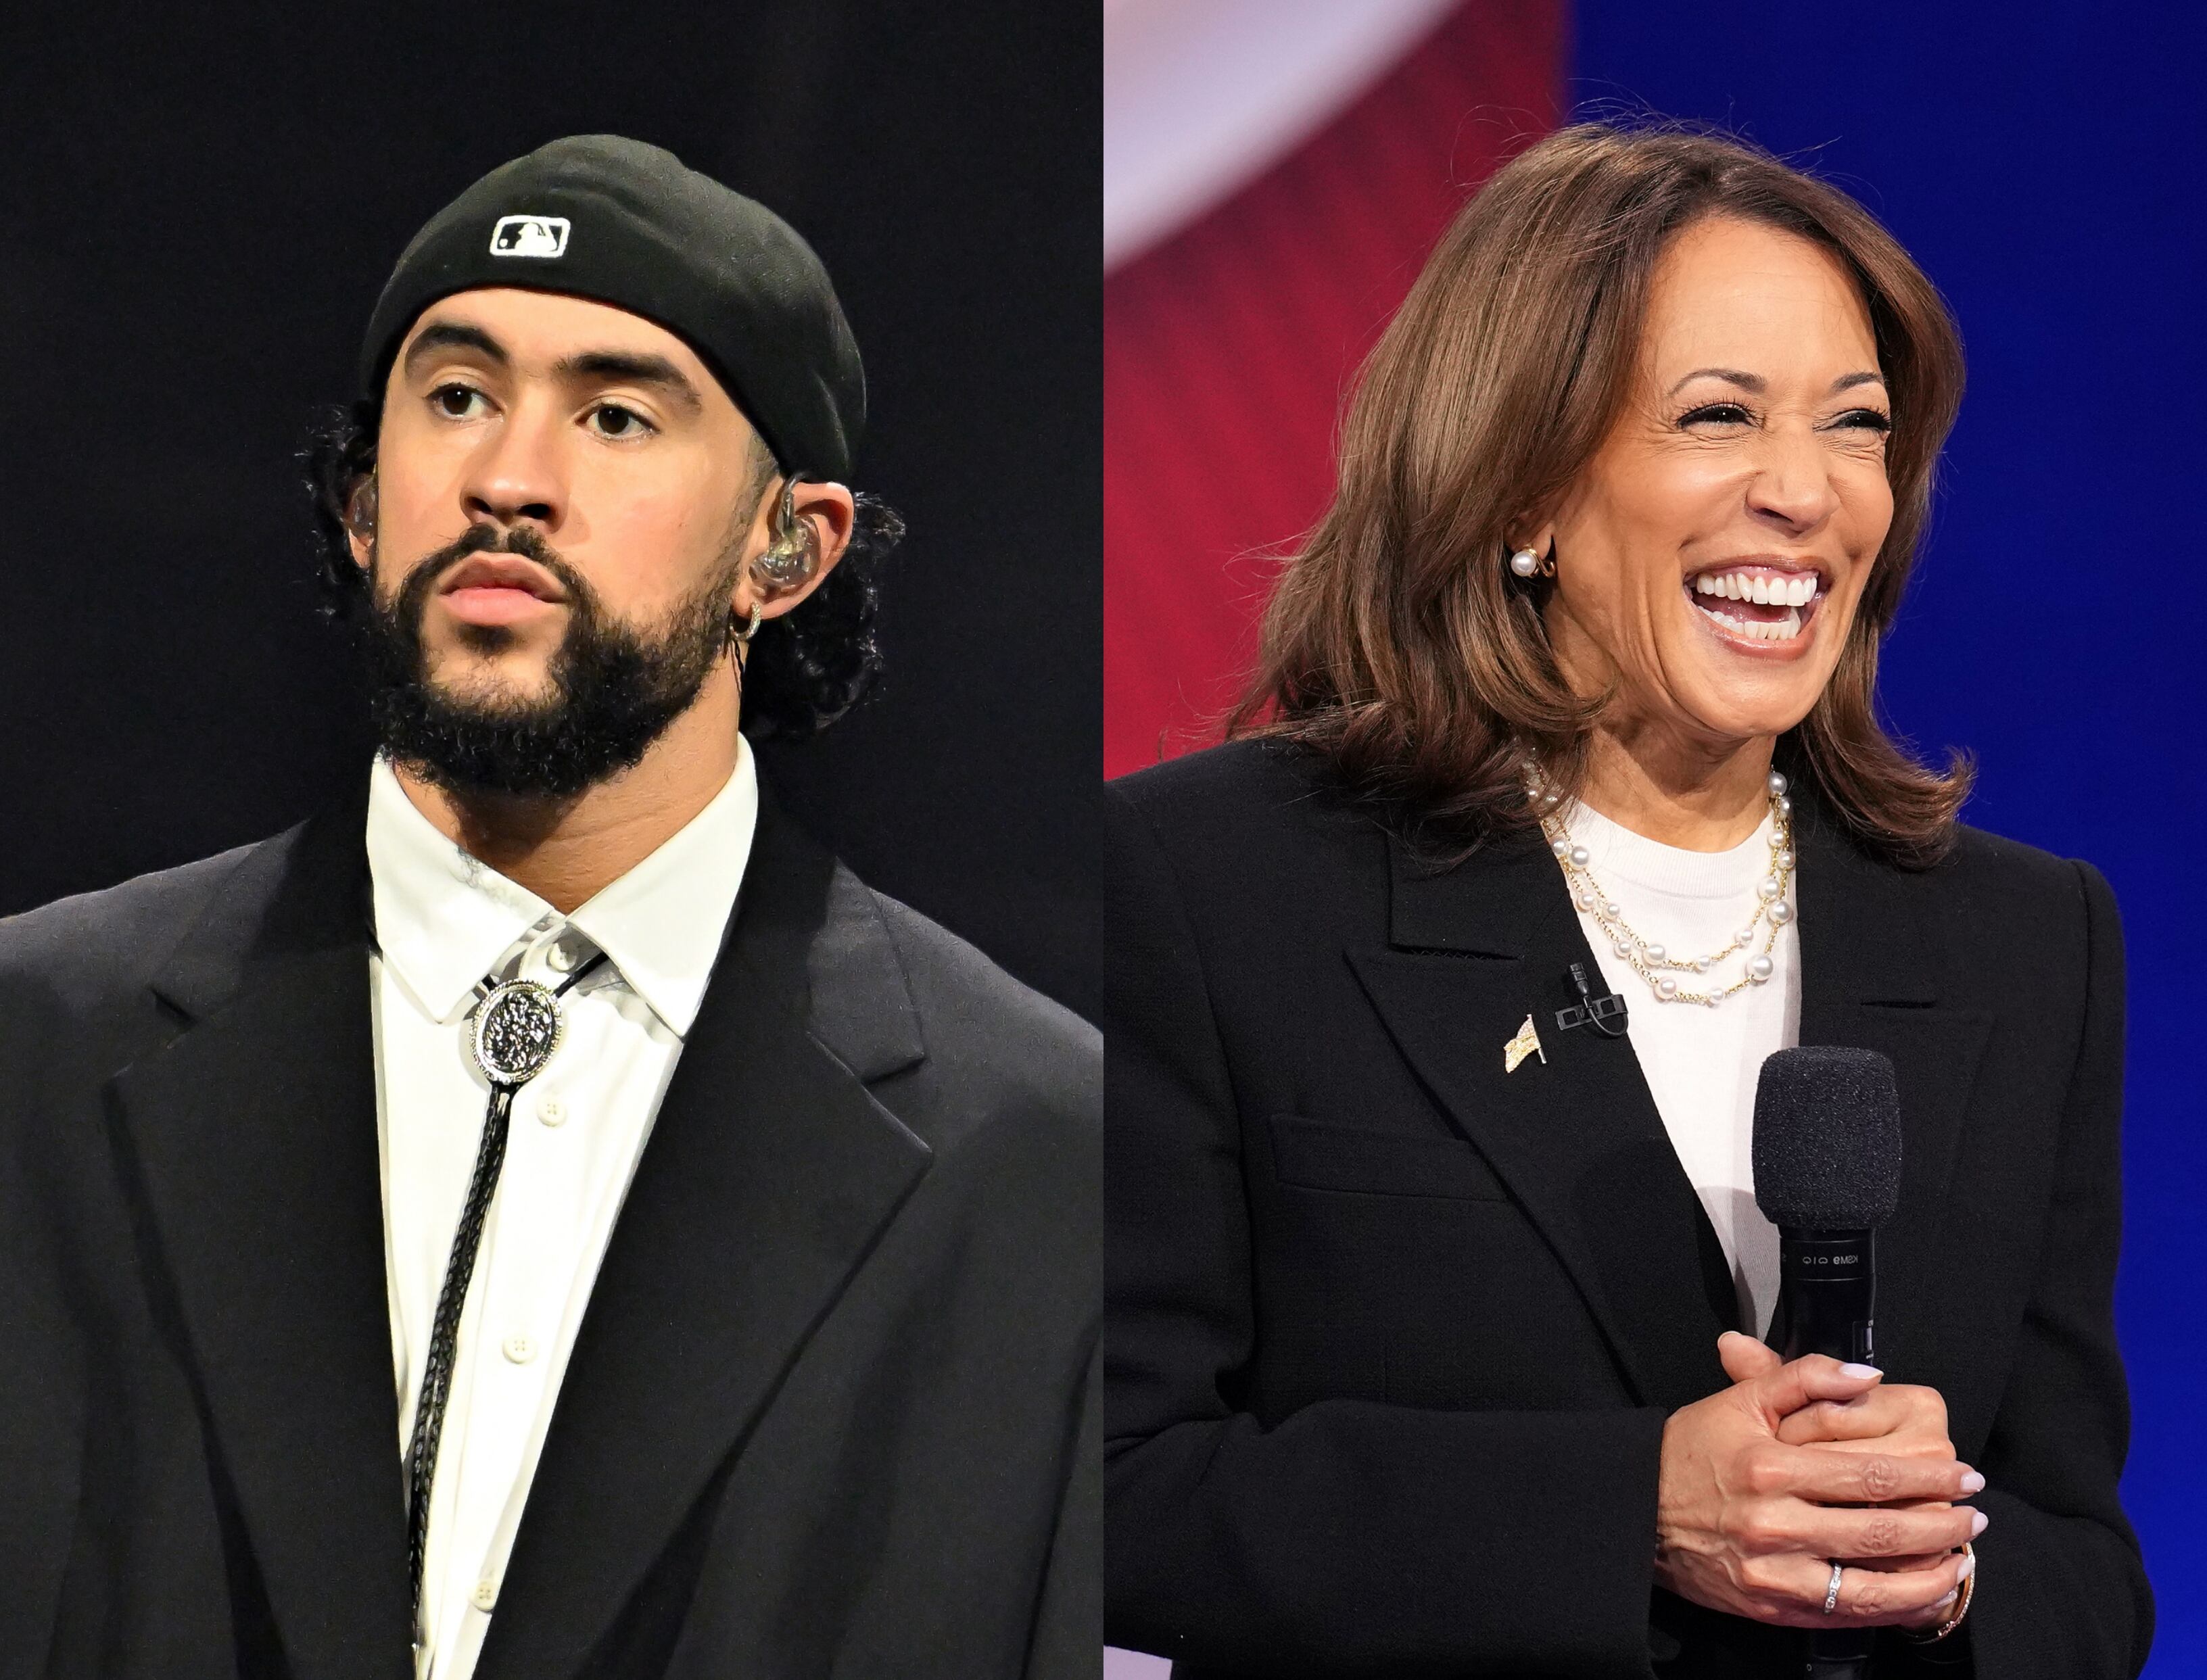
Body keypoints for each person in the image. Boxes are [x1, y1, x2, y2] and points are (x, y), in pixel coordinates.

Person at [0, 135, 1097, 1680]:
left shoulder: (1041, 1158)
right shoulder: (35, 1046)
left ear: (788, 547)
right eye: (455, 396)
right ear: (362, 506)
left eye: (617, 413)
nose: (509, 475)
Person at [1103, 124, 2148, 1677]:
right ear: (1521, 482)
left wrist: (1937, 1565)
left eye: (1856, 427)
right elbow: (1109, 1490)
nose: (1805, 494)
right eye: (1717, 416)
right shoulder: (1214, 884)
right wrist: (1627, 1510)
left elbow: (2088, 1568)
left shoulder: (2028, 938)